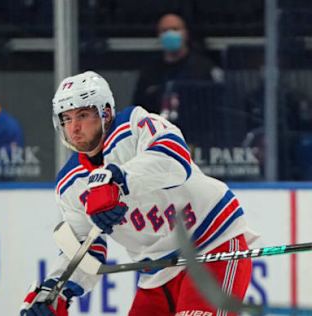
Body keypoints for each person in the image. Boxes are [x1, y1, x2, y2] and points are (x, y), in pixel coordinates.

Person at [20, 71, 257, 315]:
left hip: (211, 243)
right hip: (158, 271)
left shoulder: (134, 125)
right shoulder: (70, 184)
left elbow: (174, 156)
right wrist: (56, 290)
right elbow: (87, 245)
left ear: (106, 112)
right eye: (66, 119)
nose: (74, 127)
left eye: (83, 115)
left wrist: (118, 180)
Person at [133, 13, 224, 118]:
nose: (170, 34)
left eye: (175, 29)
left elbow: (218, 106)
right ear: (158, 35)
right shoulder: (149, 72)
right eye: (165, 30)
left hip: (197, 129)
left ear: (186, 33)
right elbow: (138, 109)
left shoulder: (204, 68)